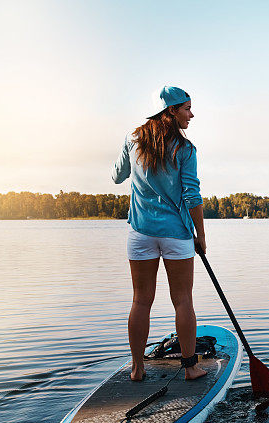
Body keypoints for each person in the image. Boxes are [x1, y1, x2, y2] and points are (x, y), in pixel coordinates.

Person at [112, 85, 207, 381]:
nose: (191, 114)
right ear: (171, 111)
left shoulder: (133, 139)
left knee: (141, 300)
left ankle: (137, 368)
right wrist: (200, 235)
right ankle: (190, 367)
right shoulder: (185, 149)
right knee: (183, 300)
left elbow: (117, 176)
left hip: (141, 233)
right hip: (177, 233)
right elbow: (191, 195)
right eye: (186, 108)